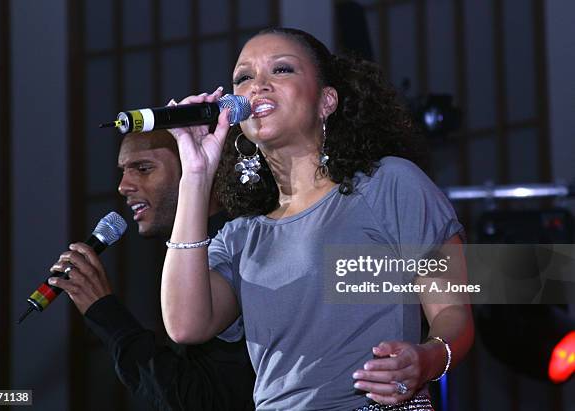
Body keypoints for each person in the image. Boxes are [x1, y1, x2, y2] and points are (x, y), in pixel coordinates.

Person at [161, 27, 474, 411]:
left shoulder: (390, 185)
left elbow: (454, 314)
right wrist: (195, 175)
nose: (257, 86)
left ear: (326, 101)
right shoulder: (240, 237)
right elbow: (186, 325)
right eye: (243, 77)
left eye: (281, 70)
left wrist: (425, 360)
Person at [47, 130, 255, 411]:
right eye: (123, 171)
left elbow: (200, 400)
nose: (123, 186)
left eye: (143, 169)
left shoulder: (233, 247)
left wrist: (105, 312)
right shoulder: (189, 254)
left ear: (200, 165)